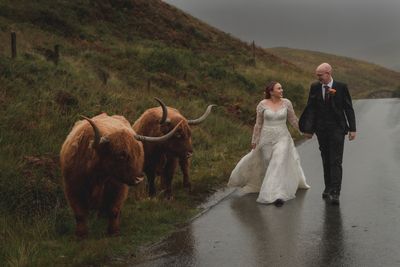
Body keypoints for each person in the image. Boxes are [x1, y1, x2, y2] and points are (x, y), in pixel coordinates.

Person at [228, 81, 310, 207]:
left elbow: (293, 119)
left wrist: (303, 131)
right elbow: (258, 124)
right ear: (271, 91)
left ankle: (278, 194)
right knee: (268, 162)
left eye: (282, 88)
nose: (282, 90)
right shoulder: (262, 105)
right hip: (266, 138)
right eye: (279, 88)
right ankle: (267, 186)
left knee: (278, 162)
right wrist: (254, 140)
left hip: (283, 137)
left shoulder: (286, 103)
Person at [299, 63, 356, 205]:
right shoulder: (315, 87)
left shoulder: (341, 87)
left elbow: (348, 108)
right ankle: (328, 187)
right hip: (321, 130)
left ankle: (336, 192)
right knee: (325, 158)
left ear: (328, 73)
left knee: (335, 160)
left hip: (337, 128)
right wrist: (309, 129)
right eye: (317, 75)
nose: (318, 78)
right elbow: (311, 108)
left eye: (320, 75)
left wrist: (352, 128)